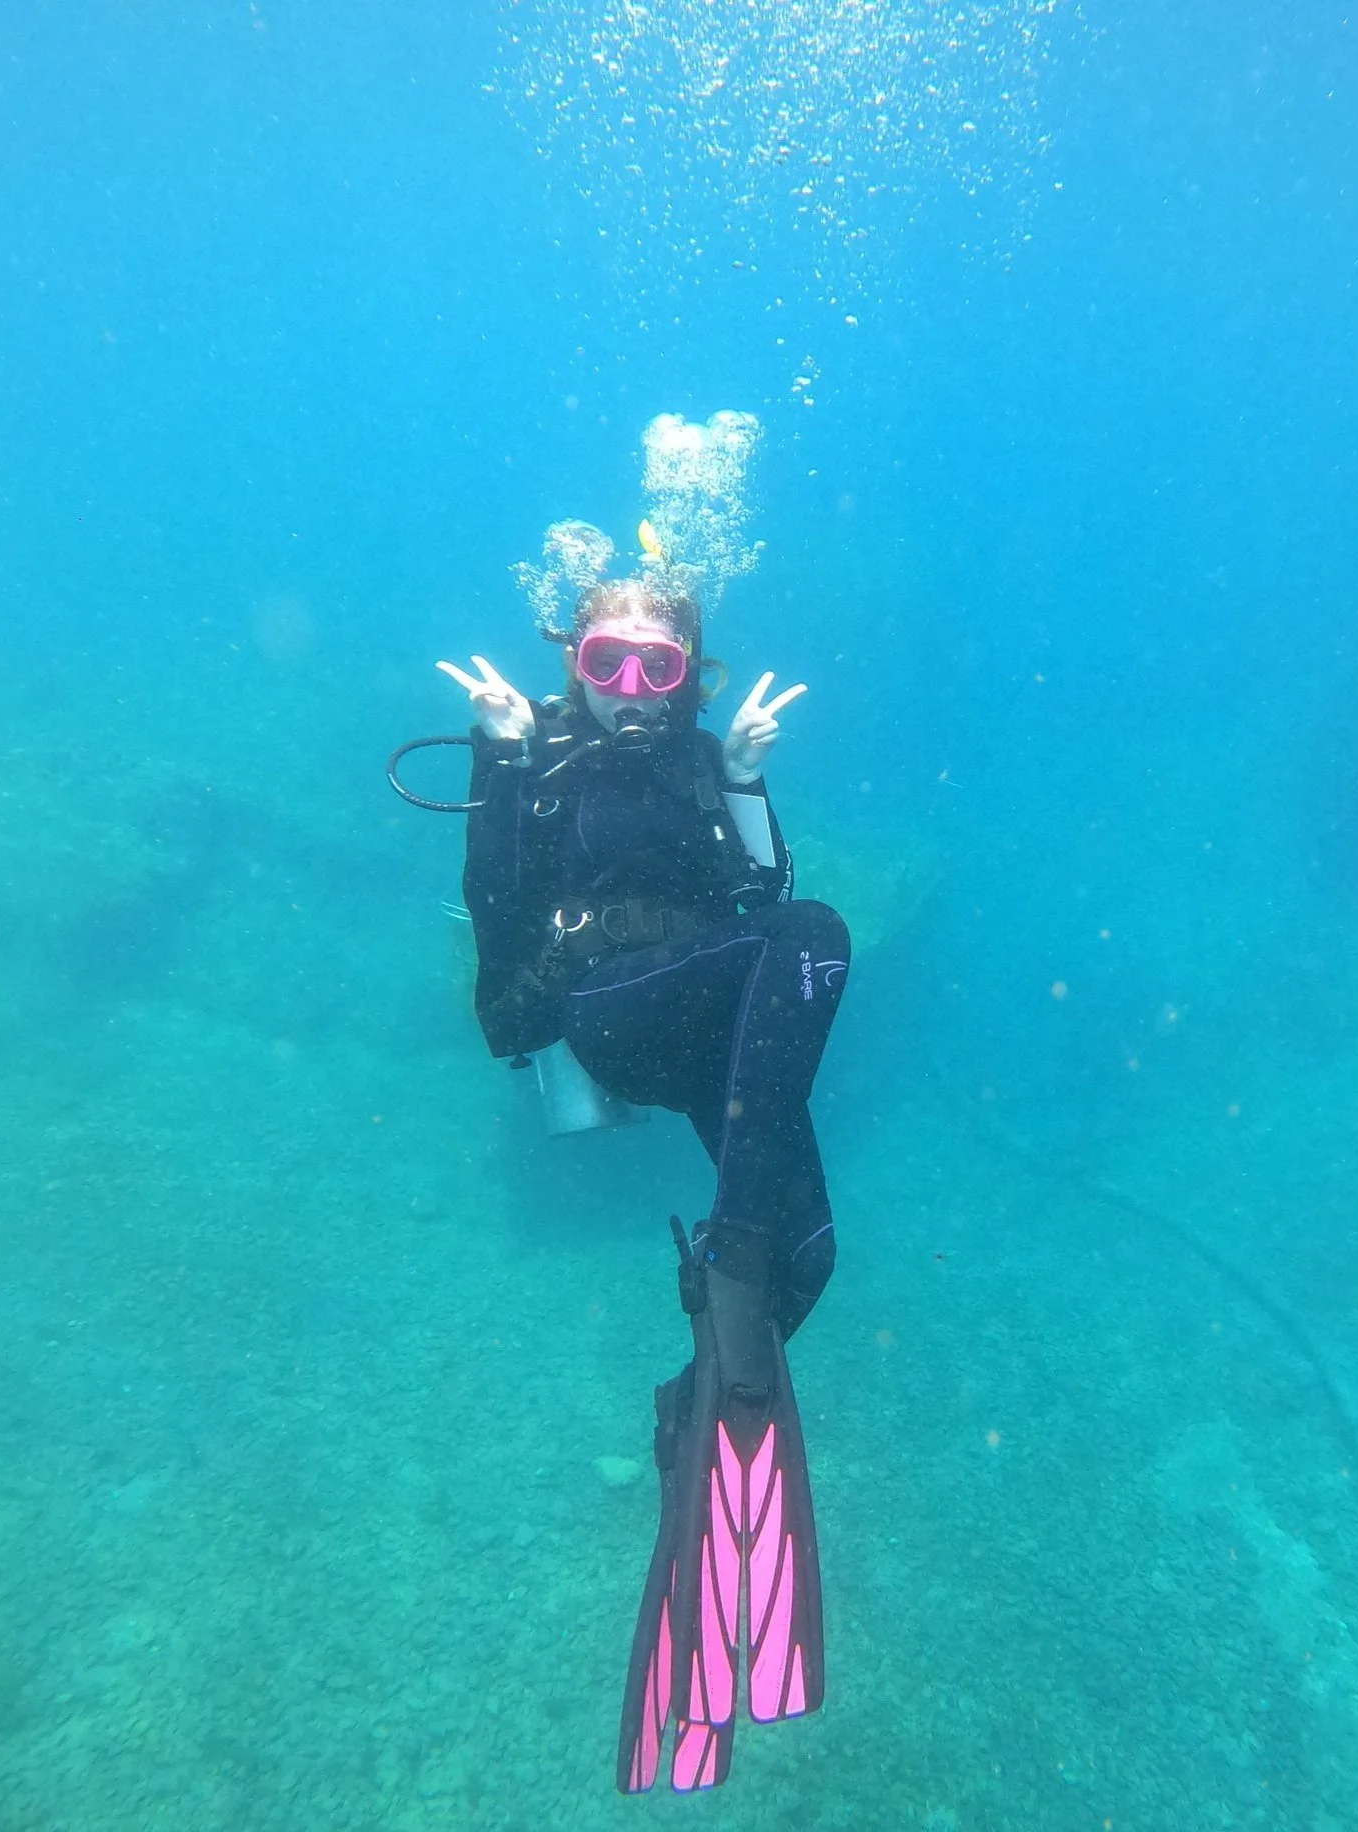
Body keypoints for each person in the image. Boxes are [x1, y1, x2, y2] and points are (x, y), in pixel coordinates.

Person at [436, 576, 849, 1794]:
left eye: (657, 668)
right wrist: (500, 760)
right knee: (819, 933)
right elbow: (498, 920)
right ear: (574, 659)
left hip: (714, 1042)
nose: (630, 691)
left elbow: (754, 900)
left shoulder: (702, 763)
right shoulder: (541, 757)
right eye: (608, 661)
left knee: (811, 1255)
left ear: (689, 674)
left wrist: (746, 778)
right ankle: (728, 1262)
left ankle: (694, 1410)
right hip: (611, 1012)